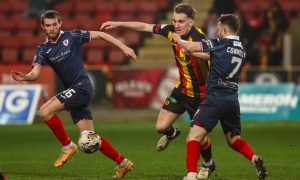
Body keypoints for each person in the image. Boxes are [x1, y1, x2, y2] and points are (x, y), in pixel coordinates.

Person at [11, 10, 136, 179]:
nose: (52, 28)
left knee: (44, 112)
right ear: (43, 27)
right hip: (76, 93)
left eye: (55, 24)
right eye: (48, 25)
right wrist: (26, 77)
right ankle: (123, 163)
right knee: (89, 138)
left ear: (60, 23)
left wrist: (124, 47)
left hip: (82, 87)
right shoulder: (43, 50)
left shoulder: (73, 36)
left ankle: (68, 145)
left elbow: (100, 34)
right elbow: (35, 73)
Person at [101, 3, 215, 178]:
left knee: (198, 136)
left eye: (181, 21)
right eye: (175, 21)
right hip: (181, 90)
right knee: (161, 127)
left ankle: (207, 164)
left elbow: (209, 55)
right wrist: (118, 23)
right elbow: (145, 26)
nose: (177, 25)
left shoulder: (199, 38)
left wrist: (188, 48)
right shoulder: (171, 31)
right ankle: (173, 133)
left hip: (200, 95)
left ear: (191, 22)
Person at [172, 14, 268, 180]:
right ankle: (253, 158)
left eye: (218, 30)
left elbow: (194, 47)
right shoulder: (242, 49)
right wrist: (192, 52)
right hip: (232, 100)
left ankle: (191, 175)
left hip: (215, 98)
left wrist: (179, 40)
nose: (217, 32)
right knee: (234, 140)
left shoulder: (220, 43)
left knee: (193, 137)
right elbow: (213, 57)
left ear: (224, 29)